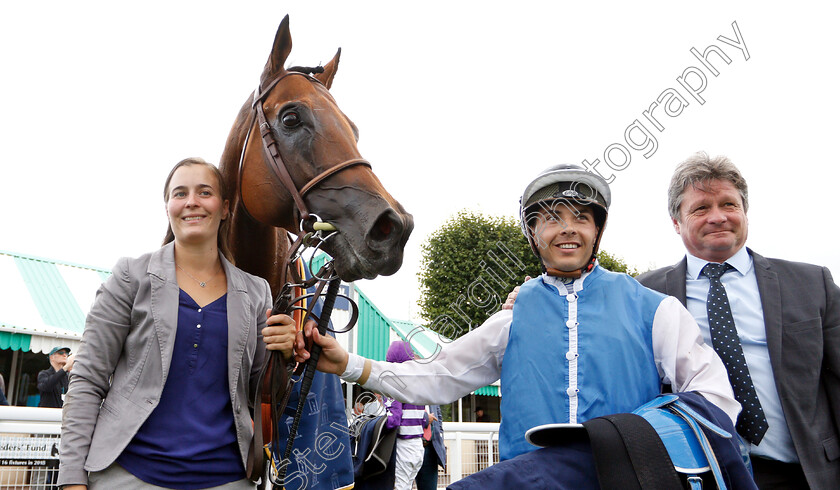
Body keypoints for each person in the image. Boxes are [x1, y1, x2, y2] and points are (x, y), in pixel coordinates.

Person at [286, 163, 739, 465]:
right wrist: (350, 365)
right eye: (551, 218)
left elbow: (715, 398)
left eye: (581, 217)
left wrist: (638, 441)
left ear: (597, 230)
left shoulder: (654, 309)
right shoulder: (512, 317)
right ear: (533, 233)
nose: (567, 229)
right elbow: (440, 376)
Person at [57, 158, 297, 490]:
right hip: (128, 476)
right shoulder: (131, 276)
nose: (192, 202)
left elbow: (263, 393)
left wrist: (284, 353)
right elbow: (87, 380)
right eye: (180, 193)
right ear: (168, 207)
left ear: (225, 208)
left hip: (227, 479)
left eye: (205, 192)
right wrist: (72, 479)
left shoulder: (256, 292)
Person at [635, 152, 840, 490]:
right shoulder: (644, 293)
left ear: (745, 211)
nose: (718, 217)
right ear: (676, 221)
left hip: (807, 475)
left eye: (729, 204)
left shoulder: (812, 283)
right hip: (702, 476)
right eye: (701, 208)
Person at [382, 341, 428, 490]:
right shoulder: (419, 384)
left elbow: (393, 420)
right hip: (417, 448)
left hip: (403, 446)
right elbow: (423, 418)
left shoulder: (394, 383)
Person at [414, 404, 445, 490]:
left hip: (430, 448)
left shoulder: (433, 394)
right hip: (409, 447)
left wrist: (440, 437)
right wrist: (425, 418)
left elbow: (438, 418)